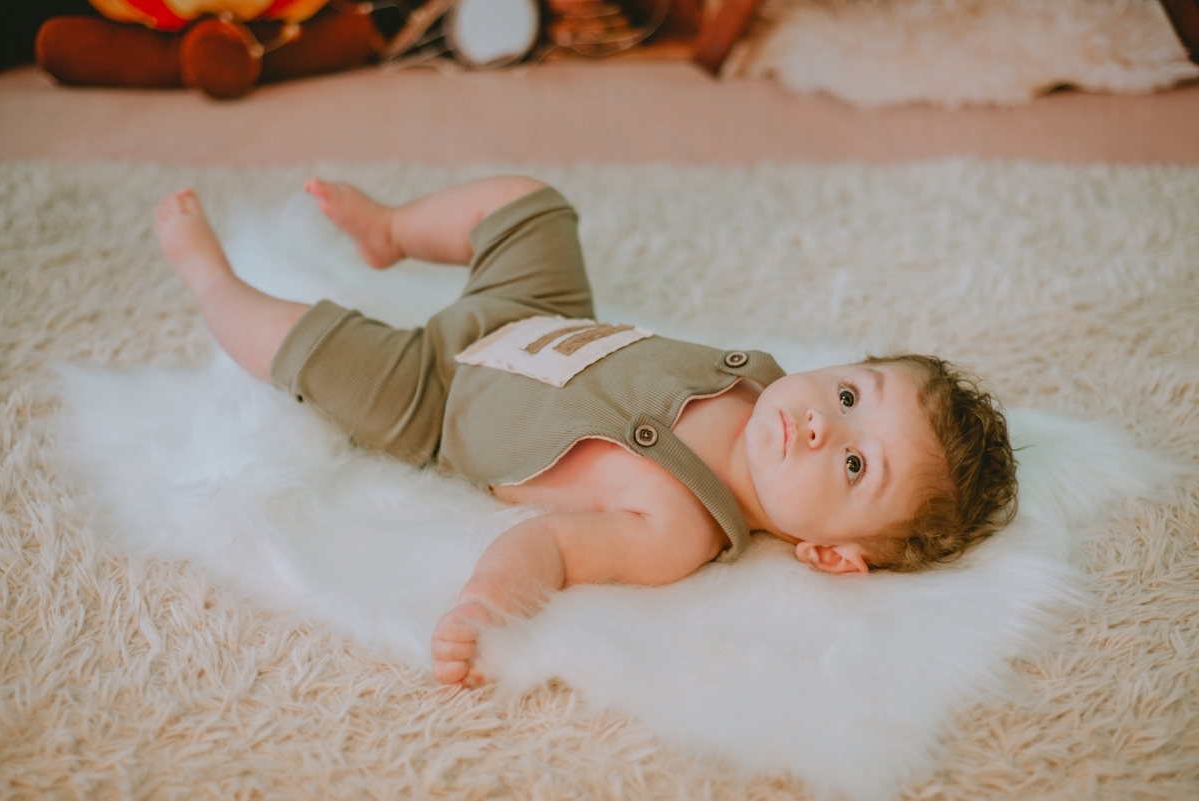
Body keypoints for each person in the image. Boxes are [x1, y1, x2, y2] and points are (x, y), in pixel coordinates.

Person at [153, 175, 1017, 689]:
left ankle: (210, 280)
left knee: (305, 348)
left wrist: (486, 604)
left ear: (831, 552)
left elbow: (553, 545)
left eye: (858, 463)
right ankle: (392, 229)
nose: (827, 424)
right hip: (543, 312)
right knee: (533, 204)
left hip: (438, 395)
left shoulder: (681, 527)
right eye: (855, 394)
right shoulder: (762, 380)